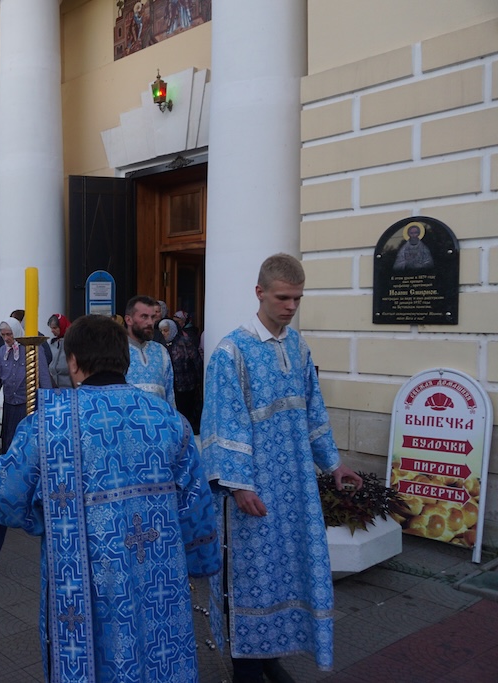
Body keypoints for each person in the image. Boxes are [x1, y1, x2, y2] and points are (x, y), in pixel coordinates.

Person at [0, 315, 221, 682]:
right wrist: (201, 562)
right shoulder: (170, 419)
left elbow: (3, 498)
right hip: (159, 580)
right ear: (124, 359)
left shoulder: (50, 422)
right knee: (158, 657)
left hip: (89, 585)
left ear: (73, 362)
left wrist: (44, 514)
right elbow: (196, 507)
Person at [201, 253, 363, 681]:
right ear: (260, 293)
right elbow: (223, 422)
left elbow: (313, 411)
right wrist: (239, 486)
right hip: (252, 491)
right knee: (251, 575)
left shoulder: (298, 346)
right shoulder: (231, 352)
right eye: (283, 298)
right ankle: (246, 667)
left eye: (297, 299)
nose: (291, 306)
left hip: (296, 488)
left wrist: (334, 464)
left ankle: (269, 654)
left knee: (287, 572)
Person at [0, 317, 53, 454]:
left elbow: (44, 376)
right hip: (9, 406)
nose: (6, 338)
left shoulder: (32, 350)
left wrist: (48, 403)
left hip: (27, 404)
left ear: (17, 332)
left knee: (26, 442)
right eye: (3, 334)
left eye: (9, 334)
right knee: (9, 441)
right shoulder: (1, 353)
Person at [123, 295, 176, 408]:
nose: (150, 322)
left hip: (159, 417)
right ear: (128, 320)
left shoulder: (161, 351)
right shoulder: (116, 350)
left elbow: (169, 394)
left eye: (153, 317)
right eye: (144, 316)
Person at [160, 318, 203, 433]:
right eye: (161, 331)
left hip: (186, 385)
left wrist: (198, 381)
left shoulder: (184, 342)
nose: (163, 333)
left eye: (166, 330)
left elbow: (196, 361)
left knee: (186, 412)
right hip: (170, 386)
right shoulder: (161, 346)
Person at [46, 313, 73, 389]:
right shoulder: (52, 343)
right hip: (55, 387)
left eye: (55, 328)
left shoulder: (73, 342)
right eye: (51, 328)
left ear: (62, 327)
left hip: (70, 387)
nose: (52, 331)